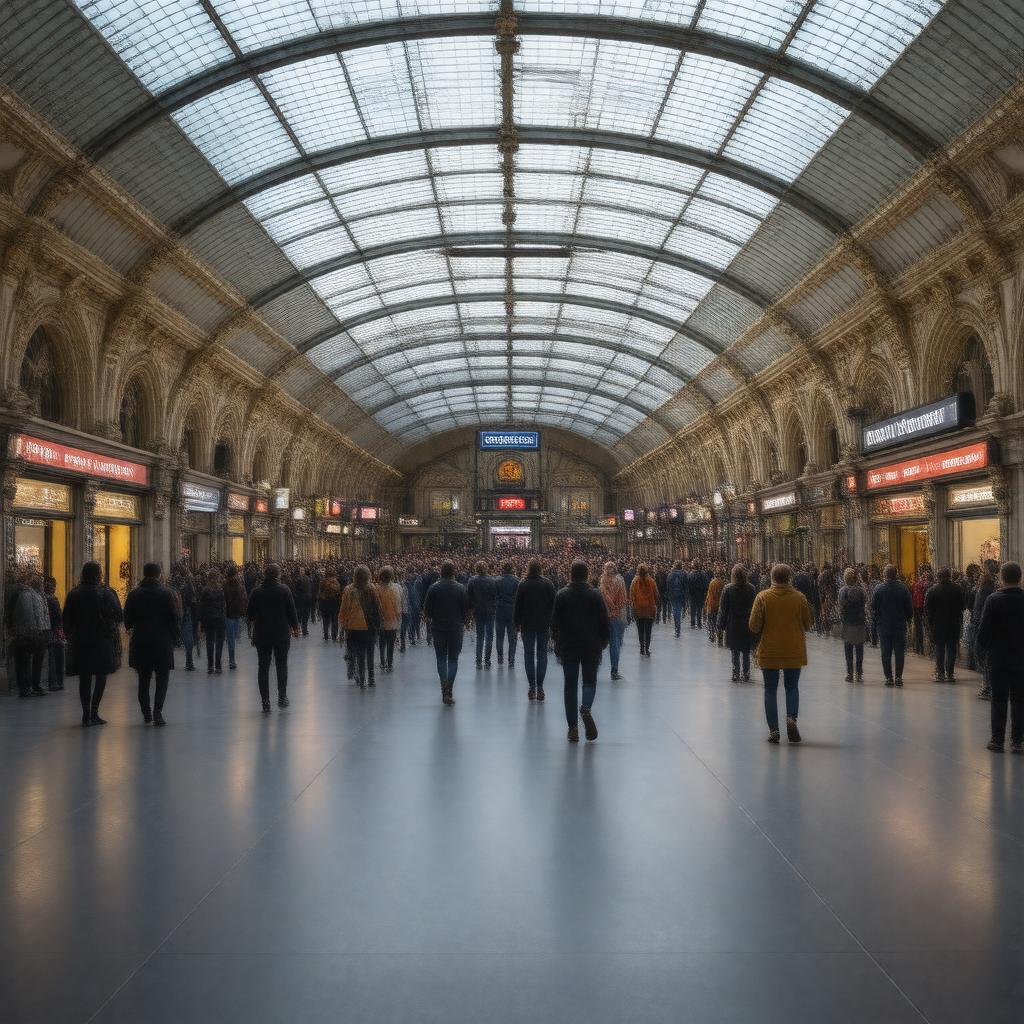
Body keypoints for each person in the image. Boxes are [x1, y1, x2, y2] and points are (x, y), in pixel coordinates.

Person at [749, 563, 812, 744]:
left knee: (770, 689)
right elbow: (808, 624)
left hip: (770, 651)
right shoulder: (800, 598)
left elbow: (753, 626)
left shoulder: (762, 597)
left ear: (772, 578)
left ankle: (774, 730)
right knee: (792, 687)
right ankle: (791, 717)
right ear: (790, 578)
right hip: (793, 650)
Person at [551, 560, 610, 743]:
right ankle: (585, 708)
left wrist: (557, 642)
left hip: (569, 646)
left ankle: (573, 729)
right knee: (589, 682)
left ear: (571, 574)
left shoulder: (561, 595)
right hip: (591, 646)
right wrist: (603, 641)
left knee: (570, 686)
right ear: (587, 574)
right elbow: (604, 621)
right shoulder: (596, 595)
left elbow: (554, 623)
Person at [63, 561, 123, 725]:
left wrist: (71, 635)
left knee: (85, 677)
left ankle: (86, 713)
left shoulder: (74, 594)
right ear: (99, 574)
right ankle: (95, 711)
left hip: (81, 640)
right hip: (102, 640)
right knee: (101, 676)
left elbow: (66, 621)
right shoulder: (106, 593)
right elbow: (119, 615)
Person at [975, 561, 1024, 753]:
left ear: (1002, 578)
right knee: (1020, 699)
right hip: (1021, 658)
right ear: (1019, 577)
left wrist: (980, 652)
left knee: (999, 698)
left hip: (998, 658)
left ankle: (997, 740)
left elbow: (984, 630)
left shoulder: (993, 600)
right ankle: (1017, 741)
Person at [123, 563, 180, 725]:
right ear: (159, 574)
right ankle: (158, 712)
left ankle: (146, 712)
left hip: (141, 641)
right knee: (162, 678)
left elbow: (127, 620)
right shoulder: (167, 594)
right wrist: (176, 636)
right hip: (162, 642)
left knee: (143, 679)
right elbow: (174, 618)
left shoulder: (134, 595)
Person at [245, 563, 299, 711]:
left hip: (262, 634)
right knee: (281, 665)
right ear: (278, 574)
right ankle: (282, 697)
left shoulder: (256, 592)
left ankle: (265, 702)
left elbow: (249, 614)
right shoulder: (284, 590)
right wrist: (295, 627)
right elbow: (292, 611)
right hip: (281, 633)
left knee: (263, 667)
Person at [423, 561, 469, 706]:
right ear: (453, 572)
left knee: (441, 658)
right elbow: (465, 609)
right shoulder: (461, 588)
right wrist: (464, 622)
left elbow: (427, 611)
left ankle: (444, 685)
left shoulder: (433, 588)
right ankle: (449, 688)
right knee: (453, 659)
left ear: (441, 572)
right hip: (456, 628)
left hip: (439, 629)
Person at [512, 557, 556, 700]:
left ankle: (531, 687)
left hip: (527, 624)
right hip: (543, 624)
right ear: (540, 568)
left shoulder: (523, 584)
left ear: (528, 569)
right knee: (542, 655)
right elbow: (553, 605)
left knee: (529, 655)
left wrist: (516, 623)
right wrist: (553, 624)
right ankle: (540, 687)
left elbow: (517, 606)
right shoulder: (548, 584)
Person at [871, 564, 913, 687]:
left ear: (885, 575)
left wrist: (877, 619)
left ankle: (889, 677)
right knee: (899, 652)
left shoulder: (879, 589)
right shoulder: (903, 589)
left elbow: (873, 607)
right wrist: (907, 619)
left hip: (884, 626)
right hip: (899, 625)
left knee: (885, 652)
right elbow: (909, 608)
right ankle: (899, 677)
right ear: (896, 574)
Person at [339, 565, 381, 687]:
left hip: (354, 627)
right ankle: (371, 678)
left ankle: (362, 679)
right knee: (370, 652)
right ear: (368, 575)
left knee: (360, 653)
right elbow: (377, 607)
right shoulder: (372, 588)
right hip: (370, 626)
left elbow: (343, 610)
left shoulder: (348, 590)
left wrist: (343, 625)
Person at [10, 574, 51, 698]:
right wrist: (37, 631)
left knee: (25, 661)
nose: (43, 585)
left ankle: (28, 687)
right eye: (41, 583)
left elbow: (41, 614)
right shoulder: (28, 595)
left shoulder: (36, 595)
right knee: (24, 661)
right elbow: (31, 615)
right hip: (29, 633)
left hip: (32, 632)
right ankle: (27, 687)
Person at [924, 567, 964, 683]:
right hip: (953, 624)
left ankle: (940, 674)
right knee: (951, 649)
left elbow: (928, 610)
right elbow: (962, 606)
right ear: (949, 576)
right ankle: (950, 674)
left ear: (938, 577)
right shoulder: (957, 589)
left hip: (937, 625)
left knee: (939, 649)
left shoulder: (932, 590)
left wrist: (929, 625)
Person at [717, 564, 756, 682]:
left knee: (734, 650)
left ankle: (735, 672)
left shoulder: (727, 589)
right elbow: (755, 607)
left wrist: (721, 624)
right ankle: (746, 672)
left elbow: (723, 609)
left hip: (733, 623)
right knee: (746, 650)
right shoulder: (751, 588)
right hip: (747, 623)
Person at [972, 559, 999, 700]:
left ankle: (988, 687)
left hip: (985, 624)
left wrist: (977, 623)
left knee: (985, 657)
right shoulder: (995, 585)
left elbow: (980, 608)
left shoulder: (985, 586)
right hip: (995, 626)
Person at [598, 560, 628, 680]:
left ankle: (595, 662)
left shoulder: (602, 581)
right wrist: (616, 608)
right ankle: (614, 670)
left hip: (604, 616)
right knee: (615, 644)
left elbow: (602, 598)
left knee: (599, 640)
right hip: (617, 617)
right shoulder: (620, 581)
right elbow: (623, 599)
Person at [837, 568, 867, 683]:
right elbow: (864, 602)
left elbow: (841, 605)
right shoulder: (860, 590)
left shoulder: (842, 591)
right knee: (859, 649)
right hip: (859, 622)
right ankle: (859, 673)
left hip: (847, 623)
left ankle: (849, 674)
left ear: (845, 578)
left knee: (848, 649)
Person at [467, 561, 497, 669]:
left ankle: (478, 661)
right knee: (489, 637)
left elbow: (469, 597)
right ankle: (487, 660)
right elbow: (495, 596)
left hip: (478, 611)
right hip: (490, 611)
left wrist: (470, 612)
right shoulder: (493, 580)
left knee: (480, 636)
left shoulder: (472, 580)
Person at [374, 566, 403, 673]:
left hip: (380, 621)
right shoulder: (395, 588)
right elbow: (397, 606)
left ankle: (382, 661)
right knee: (390, 643)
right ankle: (390, 663)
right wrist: (399, 618)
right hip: (392, 620)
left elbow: (374, 605)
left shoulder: (376, 588)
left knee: (381, 642)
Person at [198, 569, 227, 674]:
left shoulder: (205, 590)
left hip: (209, 618)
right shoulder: (220, 589)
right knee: (219, 642)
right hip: (220, 618)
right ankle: (218, 666)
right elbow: (224, 605)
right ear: (217, 578)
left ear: (208, 578)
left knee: (210, 641)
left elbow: (202, 607)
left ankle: (210, 666)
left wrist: (200, 622)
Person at [169, 562, 197, 671]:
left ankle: (169, 661)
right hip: (186, 613)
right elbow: (193, 596)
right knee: (188, 639)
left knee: (170, 638)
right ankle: (189, 662)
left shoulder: (169, 582)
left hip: (172, 614)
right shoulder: (187, 581)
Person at [494, 561, 519, 668]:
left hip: (500, 610)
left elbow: (494, 596)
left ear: (502, 569)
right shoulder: (516, 580)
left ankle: (500, 658)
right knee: (512, 638)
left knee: (499, 637)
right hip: (512, 611)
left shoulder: (497, 580)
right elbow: (518, 598)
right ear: (512, 569)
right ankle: (511, 660)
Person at [223, 563, 248, 670]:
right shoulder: (239, 584)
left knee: (230, 638)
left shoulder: (225, 585)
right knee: (234, 636)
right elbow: (244, 597)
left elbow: (223, 599)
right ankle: (232, 659)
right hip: (237, 613)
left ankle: (232, 660)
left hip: (228, 614)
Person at [629, 563, 657, 657]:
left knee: (640, 630)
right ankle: (647, 649)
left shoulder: (634, 581)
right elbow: (656, 593)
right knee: (648, 630)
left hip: (638, 609)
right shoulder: (651, 581)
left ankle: (641, 648)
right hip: (650, 608)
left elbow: (631, 594)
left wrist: (633, 604)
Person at [43, 576, 65, 691]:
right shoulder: (52, 599)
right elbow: (58, 615)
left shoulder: (44, 598)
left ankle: (56, 681)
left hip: (50, 630)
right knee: (56, 656)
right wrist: (60, 626)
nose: (53, 588)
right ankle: (56, 681)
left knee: (54, 656)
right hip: (55, 631)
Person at [317, 568, 342, 643]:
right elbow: (338, 592)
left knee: (325, 620)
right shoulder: (336, 582)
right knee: (334, 620)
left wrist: (320, 602)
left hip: (325, 603)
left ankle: (326, 634)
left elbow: (320, 592)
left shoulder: (322, 582)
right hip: (334, 603)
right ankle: (334, 635)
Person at [667, 561, 687, 638]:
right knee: (678, 610)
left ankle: (677, 627)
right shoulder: (684, 574)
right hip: (681, 595)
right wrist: (685, 597)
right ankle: (678, 627)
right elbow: (686, 587)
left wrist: (669, 595)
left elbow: (668, 585)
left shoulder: (670, 574)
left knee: (675, 610)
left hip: (673, 595)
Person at [705, 569, 725, 646]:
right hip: (720, 605)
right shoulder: (723, 583)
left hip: (712, 604)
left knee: (711, 620)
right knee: (719, 621)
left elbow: (709, 595)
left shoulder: (712, 583)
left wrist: (707, 604)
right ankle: (719, 636)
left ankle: (712, 634)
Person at [292, 568, 313, 637]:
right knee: (305, 615)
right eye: (301, 571)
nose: (301, 572)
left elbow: (295, 590)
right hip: (306, 599)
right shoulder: (308, 579)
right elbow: (311, 588)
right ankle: (304, 630)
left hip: (301, 600)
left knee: (300, 616)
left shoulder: (298, 579)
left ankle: (300, 630)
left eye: (302, 571)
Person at [687, 563, 708, 629]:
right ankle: (699, 624)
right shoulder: (703, 574)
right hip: (700, 594)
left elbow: (688, 584)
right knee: (699, 609)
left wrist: (689, 593)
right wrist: (705, 592)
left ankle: (692, 623)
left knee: (693, 609)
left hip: (692, 594)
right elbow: (706, 584)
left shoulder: (690, 574)